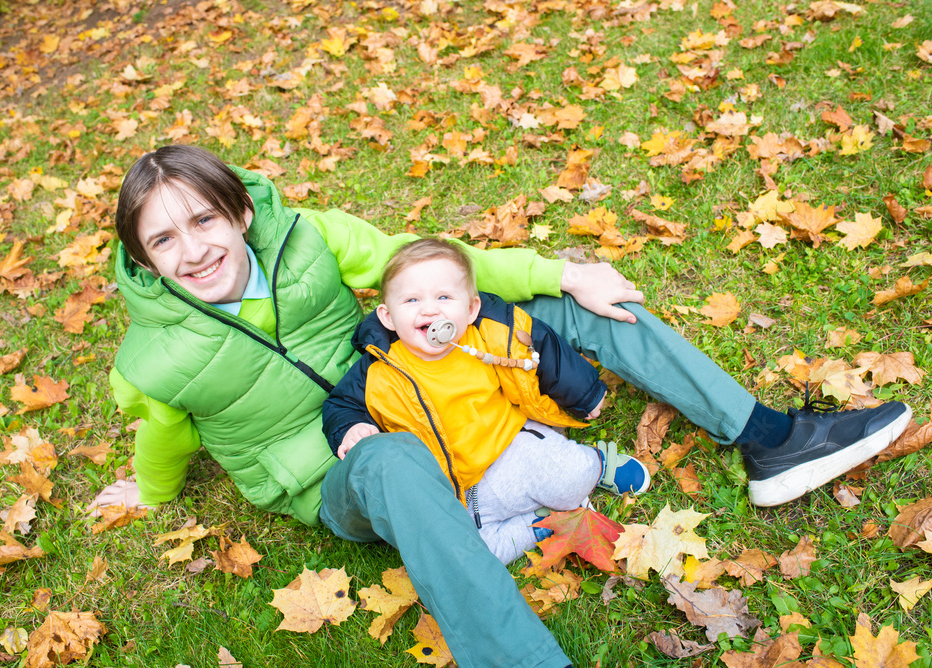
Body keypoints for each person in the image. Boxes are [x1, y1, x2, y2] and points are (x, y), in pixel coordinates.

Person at [92, 144, 911, 668]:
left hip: (425, 373)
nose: (194, 249)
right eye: (163, 241)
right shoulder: (151, 359)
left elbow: (440, 270)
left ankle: (770, 438)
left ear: (237, 211)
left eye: (204, 219)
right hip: (349, 470)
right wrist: (149, 490)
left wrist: (562, 275)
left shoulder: (310, 237)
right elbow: (161, 436)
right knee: (393, 459)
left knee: (583, 309)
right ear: (142, 257)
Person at [321, 239, 652, 565]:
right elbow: (341, 404)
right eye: (411, 300)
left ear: (470, 309)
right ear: (388, 317)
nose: (429, 308)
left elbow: (542, 349)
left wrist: (582, 393)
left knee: (569, 478)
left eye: (443, 297)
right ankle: (540, 521)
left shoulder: (488, 336)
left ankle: (596, 464)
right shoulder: (378, 370)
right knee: (474, 555)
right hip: (464, 489)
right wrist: (352, 427)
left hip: (512, 446)